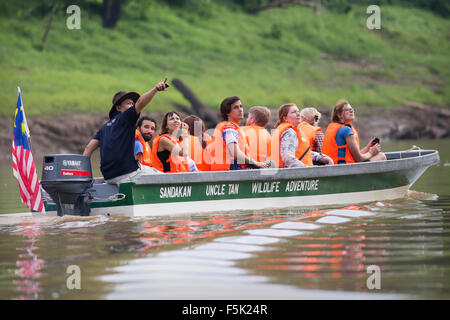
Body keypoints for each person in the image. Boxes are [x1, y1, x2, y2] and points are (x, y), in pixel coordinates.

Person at [83, 78, 167, 184]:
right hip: (127, 174)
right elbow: (141, 102)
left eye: (132, 103)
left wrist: (84, 176)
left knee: (145, 168)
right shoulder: (126, 116)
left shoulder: (104, 128)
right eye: (129, 103)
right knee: (164, 178)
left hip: (109, 177)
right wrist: (155, 89)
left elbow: (88, 149)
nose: (132, 106)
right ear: (118, 108)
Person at [208, 96, 270, 171]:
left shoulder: (230, 127)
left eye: (241, 106)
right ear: (227, 112)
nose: (240, 110)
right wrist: (255, 163)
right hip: (229, 170)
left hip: (225, 170)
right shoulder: (229, 128)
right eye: (235, 107)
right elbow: (235, 152)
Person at [322, 100, 386, 164]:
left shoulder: (333, 127)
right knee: (381, 156)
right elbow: (359, 158)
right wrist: (371, 153)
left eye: (352, 109)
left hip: (333, 165)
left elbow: (356, 155)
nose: (351, 111)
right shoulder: (346, 130)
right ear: (339, 115)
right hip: (343, 168)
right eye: (347, 110)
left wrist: (368, 148)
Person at [271, 103, 333, 168]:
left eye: (298, 111)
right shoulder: (289, 132)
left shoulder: (288, 130)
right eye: (294, 112)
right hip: (295, 174)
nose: (298, 114)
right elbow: (287, 157)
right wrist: (306, 169)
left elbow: (302, 151)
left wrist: (322, 157)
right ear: (285, 118)